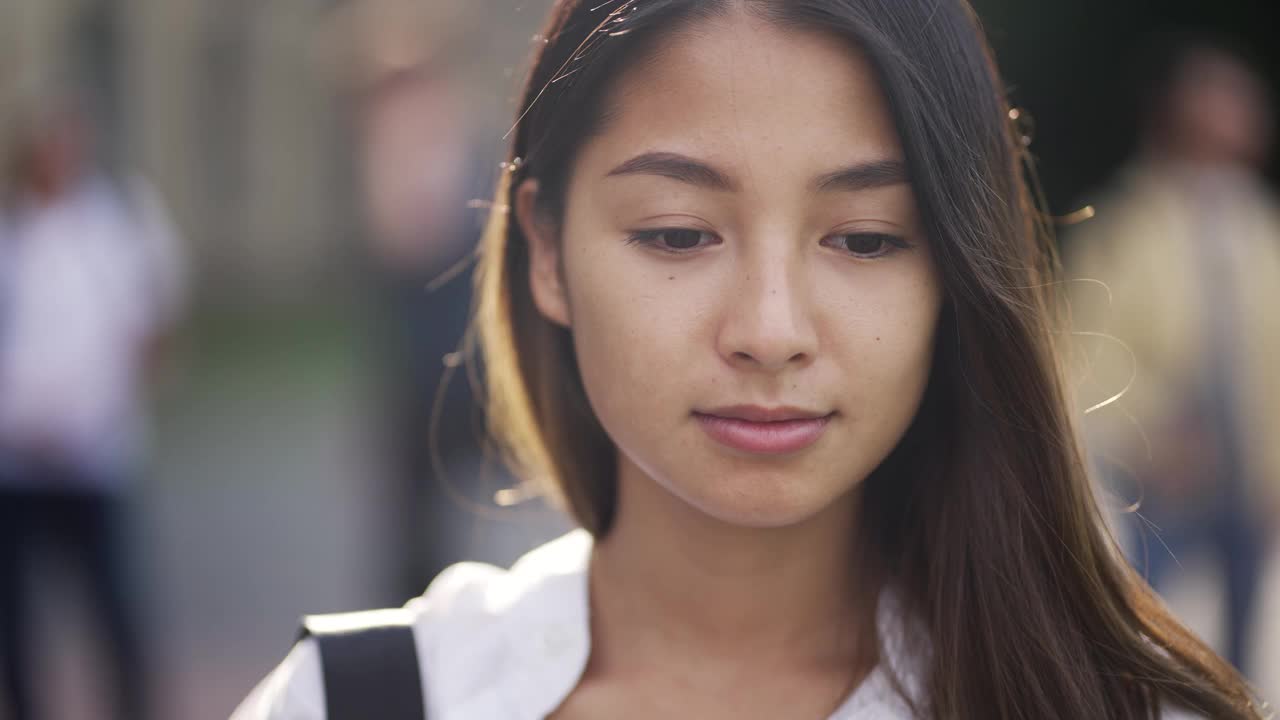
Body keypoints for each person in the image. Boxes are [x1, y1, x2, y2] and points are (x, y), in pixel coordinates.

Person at [232, 2, 1269, 718]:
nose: (769, 330)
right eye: (679, 233)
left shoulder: (1120, 708)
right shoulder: (367, 700)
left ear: (955, 271)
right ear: (544, 249)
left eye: (864, 238)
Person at [1066, 35, 1280, 675]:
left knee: (1245, 624)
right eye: (1217, 95)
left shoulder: (1261, 233)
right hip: (1159, 473)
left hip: (1248, 468)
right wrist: (1145, 436)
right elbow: (1085, 348)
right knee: (1134, 620)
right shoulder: (1128, 227)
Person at [0, 95, 184, 720]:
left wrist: (120, 392)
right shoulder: (14, 234)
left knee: (114, 610)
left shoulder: (115, 224)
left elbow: (152, 322)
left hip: (94, 455)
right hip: (17, 462)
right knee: (17, 623)